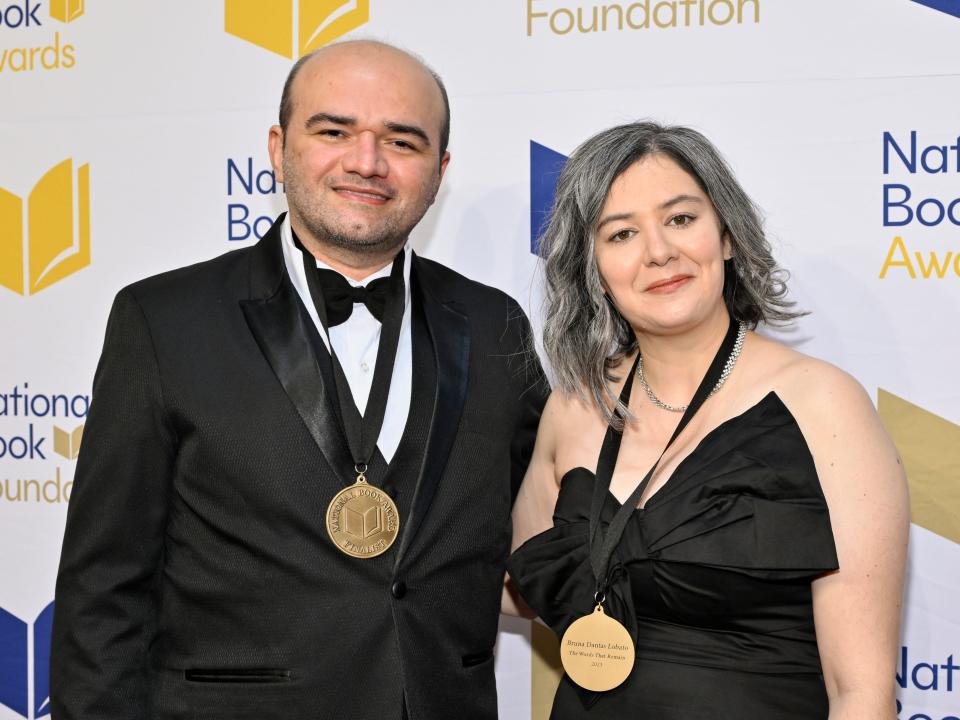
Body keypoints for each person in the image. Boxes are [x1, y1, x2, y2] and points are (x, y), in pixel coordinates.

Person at [51, 40, 547, 720]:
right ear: (279, 147)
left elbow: (549, 527)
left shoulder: (495, 325)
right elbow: (104, 587)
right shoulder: (163, 321)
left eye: (402, 141)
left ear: (440, 170)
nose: (366, 162)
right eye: (334, 131)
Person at [505, 121, 908, 719]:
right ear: (594, 270)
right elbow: (515, 589)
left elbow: (862, 693)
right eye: (621, 234)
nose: (659, 251)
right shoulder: (575, 407)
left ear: (725, 235)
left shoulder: (822, 404)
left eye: (681, 219)